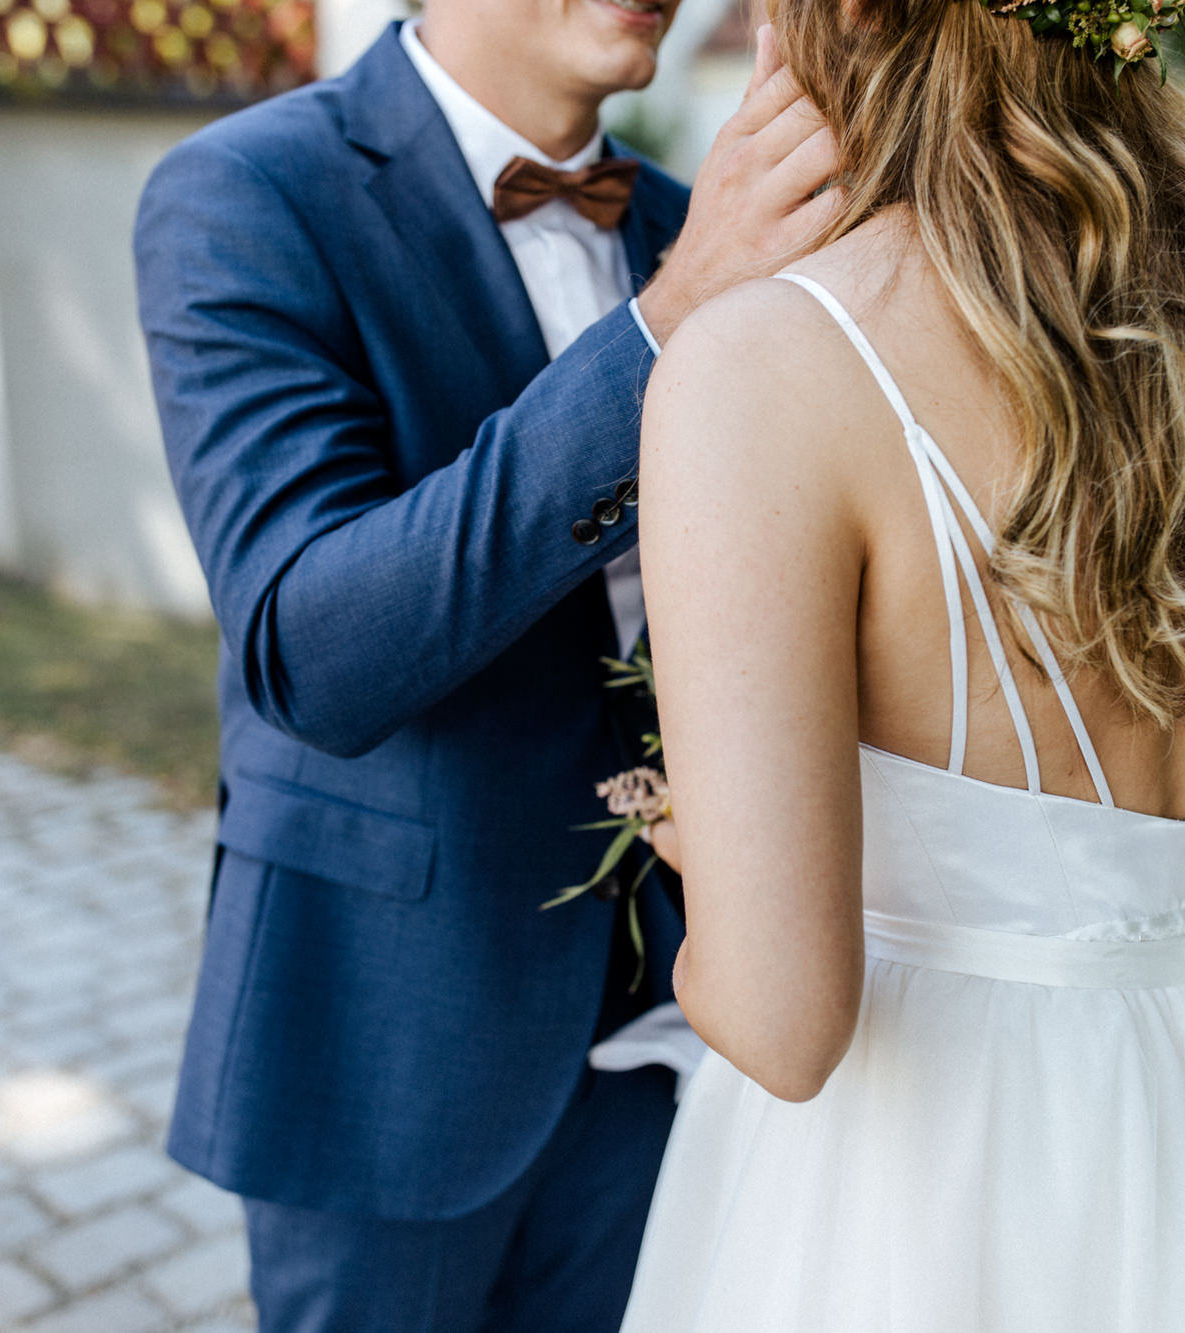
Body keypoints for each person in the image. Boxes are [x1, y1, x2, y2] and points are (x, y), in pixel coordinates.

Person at [620, 0, 1185, 1327]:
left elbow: (783, 1023)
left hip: (937, 1168)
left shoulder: (765, 366)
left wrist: (723, 859)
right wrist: (1132, 877)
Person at [132, 3, 840, 1329]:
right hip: (397, 1032)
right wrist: (664, 323)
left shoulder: (692, 218)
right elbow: (312, 649)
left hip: (676, 1016)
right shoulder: (245, 192)